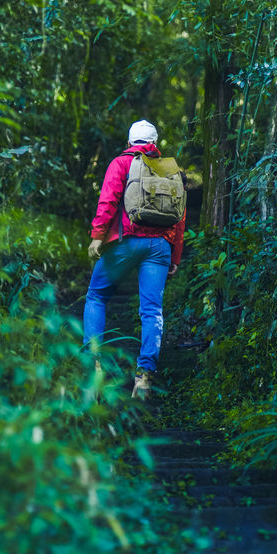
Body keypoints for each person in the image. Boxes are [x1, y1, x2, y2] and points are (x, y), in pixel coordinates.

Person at [83, 119, 185, 398]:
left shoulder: (121, 163)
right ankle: (144, 378)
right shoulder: (170, 169)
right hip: (159, 247)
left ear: (129, 143)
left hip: (124, 243)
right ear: (155, 145)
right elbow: (180, 216)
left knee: (96, 296)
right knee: (152, 311)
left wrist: (97, 236)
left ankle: (93, 365)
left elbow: (108, 200)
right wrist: (175, 254)